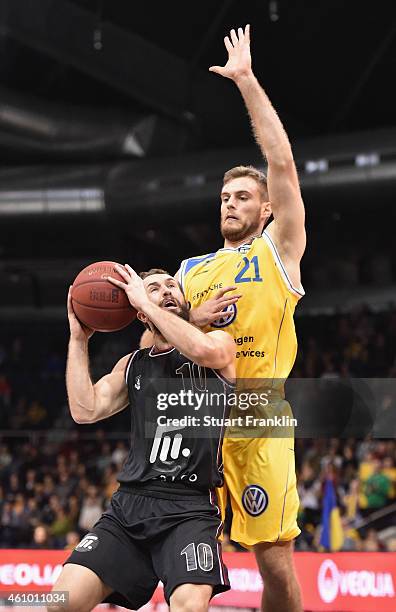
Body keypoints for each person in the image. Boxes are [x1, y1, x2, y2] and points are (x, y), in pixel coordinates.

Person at [150, 25, 305, 612]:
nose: (231, 204)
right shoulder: (190, 270)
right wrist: (187, 314)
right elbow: (152, 341)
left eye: (243, 196)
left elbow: (283, 161)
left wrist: (245, 81)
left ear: (266, 209)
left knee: (275, 564)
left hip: (258, 418)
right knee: (183, 563)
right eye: (225, 197)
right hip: (196, 423)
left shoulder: (278, 253)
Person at [49, 267, 235, 612]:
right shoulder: (133, 363)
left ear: (185, 300)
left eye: (172, 286)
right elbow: (84, 409)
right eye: (153, 288)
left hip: (189, 507)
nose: (166, 291)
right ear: (137, 310)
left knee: (189, 607)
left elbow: (202, 349)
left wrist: (148, 305)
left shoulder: (218, 343)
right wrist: (79, 339)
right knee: (61, 603)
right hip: (130, 505)